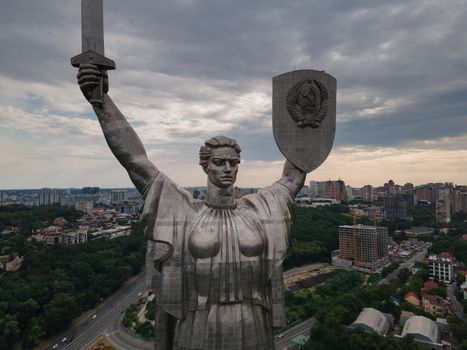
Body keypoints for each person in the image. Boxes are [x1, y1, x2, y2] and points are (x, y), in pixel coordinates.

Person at [77, 64, 306, 350]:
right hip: (198, 324)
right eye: (219, 163)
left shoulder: (259, 210)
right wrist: (101, 101)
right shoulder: (185, 211)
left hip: (253, 321)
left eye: (233, 163)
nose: (227, 169)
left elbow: (294, 175)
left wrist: (304, 122)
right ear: (205, 165)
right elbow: (136, 161)